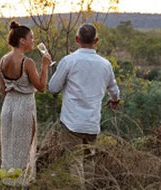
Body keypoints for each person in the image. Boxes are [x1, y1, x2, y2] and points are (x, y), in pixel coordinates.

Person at [48, 23, 120, 188]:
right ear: (96, 40)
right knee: (89, 164)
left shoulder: (69, 61)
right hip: (92, 123)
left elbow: (53, 88)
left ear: (76, 39)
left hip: (71, 123)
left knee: (74, 163)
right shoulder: (105, 64)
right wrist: (115, 100)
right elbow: (114, 90)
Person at [0, 21, 51, 187]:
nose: (33, 41)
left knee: (8, 146)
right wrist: (45, 66)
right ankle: (22, 183)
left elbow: (3, 90)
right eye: (31, 38)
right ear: (22, 41)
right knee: (24, 148)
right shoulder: (27, 63)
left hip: (8, 107)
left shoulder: (2, 60)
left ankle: (7, 181)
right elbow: (41, 87)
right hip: (24, 107)